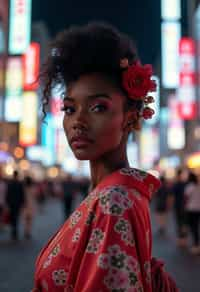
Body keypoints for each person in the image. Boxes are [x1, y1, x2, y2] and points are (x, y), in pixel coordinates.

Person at [32, 22, 179, 292]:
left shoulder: (114, 200)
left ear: (130, 117)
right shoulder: (115, 192)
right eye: (69, 108)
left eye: (98, 107)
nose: (78, 121)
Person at [184, 172, 200, 255]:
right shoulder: (198, 186)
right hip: (198, 209)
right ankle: (196, 244)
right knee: (196, 226)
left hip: (191, 209)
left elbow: (186, 198)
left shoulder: (189, 187)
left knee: (193, 227)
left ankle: (196, 245)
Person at [6, 170, 25, 240]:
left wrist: (7, 202)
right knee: (16, 217)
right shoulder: (19, 184)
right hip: (17, 203)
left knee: (13, 218)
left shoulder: (10, 183)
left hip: (11, 203)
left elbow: (8, 194)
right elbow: (22, 194)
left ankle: (14, 232)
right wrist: (22, 203)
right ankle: (15, 232)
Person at [172, 168, 188, 247]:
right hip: (185, 206)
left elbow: (172, 197)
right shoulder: (185, 184)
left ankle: (181, 240)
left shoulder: (176, 184)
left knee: (179, 223)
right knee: (184, 223)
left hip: (178, 206)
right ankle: (184, 239)